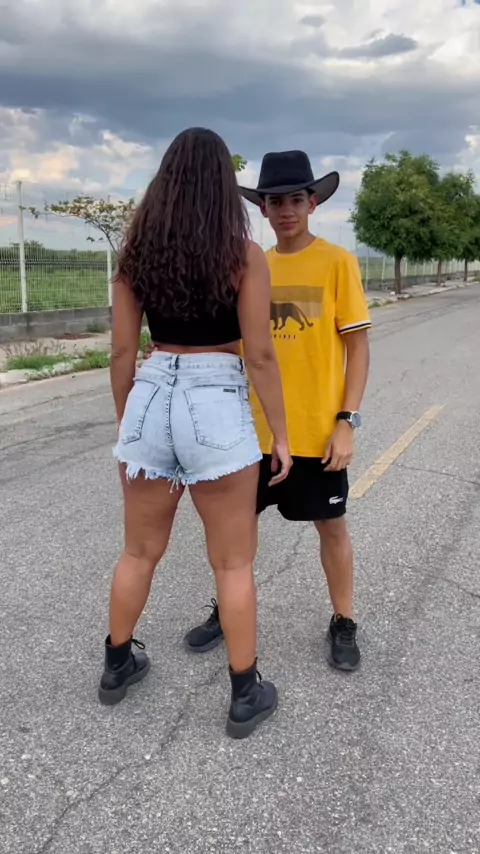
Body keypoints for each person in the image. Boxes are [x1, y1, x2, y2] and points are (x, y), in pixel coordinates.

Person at [99, 128, 292, 740]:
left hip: (151, 390)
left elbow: (122, 351)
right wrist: (280, 434)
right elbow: (259, 354)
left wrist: (128, 420)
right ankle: (245, 693)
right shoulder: (244, 255)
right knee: (232, 562)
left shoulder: (135, 254)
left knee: (138, 551)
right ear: (222, 186)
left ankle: (116, 664)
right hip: (215, 398)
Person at [184, 150, 371, 672]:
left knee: (331, 526)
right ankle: (227, 610)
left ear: (313, 203)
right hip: (251, 432)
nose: (286, 210)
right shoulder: (252, 264)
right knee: (235, 531)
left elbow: (357, 349)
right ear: (262, 208)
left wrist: (346, 422)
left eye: (295, 200)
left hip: (315, 431)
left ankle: (343, 620)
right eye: (275, 201)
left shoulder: (337, 262)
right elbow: (238, 344)